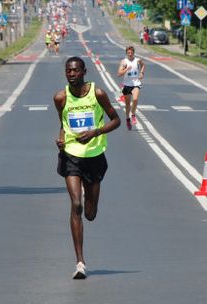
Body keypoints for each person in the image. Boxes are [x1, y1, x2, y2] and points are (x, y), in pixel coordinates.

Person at [54, 57, 121, 279]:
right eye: (68, 71)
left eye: (75, 70)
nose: (71, 74)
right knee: (76, 205)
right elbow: (62, 125)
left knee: (90, 214)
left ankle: (88, 197)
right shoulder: (60, 98)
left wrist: (95, 132)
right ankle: (80, 262)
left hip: (94, 155)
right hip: (71, 156)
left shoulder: (98, 94)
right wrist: (61, 138)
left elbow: (116, 120)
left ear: (84, 71)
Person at [117, 45, 145, 130]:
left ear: (133, 53)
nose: (130, 54)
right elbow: (119, 74)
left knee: (135, 99)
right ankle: (127, 119)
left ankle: (133, 115)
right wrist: (126, 69)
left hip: (136, 83)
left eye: (131, 53)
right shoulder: (124, 62)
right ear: (126, 53)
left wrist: (142, 73)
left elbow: (143, 65)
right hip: (127, 84)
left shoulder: (137, 60)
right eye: (128, 53)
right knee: (128, 104)